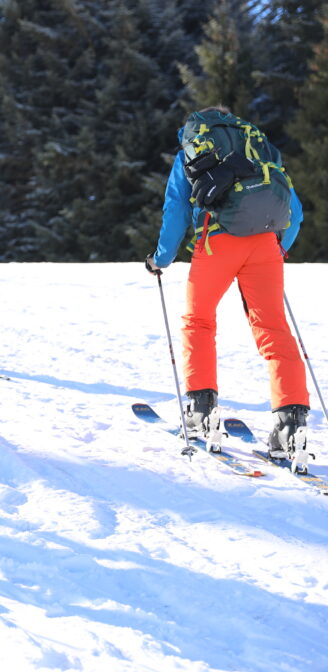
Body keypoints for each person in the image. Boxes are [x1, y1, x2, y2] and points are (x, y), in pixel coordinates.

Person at [146, 106, 310, 468]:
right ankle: (290, 425)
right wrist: (279, 248)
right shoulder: (262, 148)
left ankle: (201, 410)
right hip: (265, 243)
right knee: (274, 330)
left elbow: (175, 210)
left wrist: (161, 259)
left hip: (216, 241)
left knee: (198, 321)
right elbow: (294, 212)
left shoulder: (192, 153)